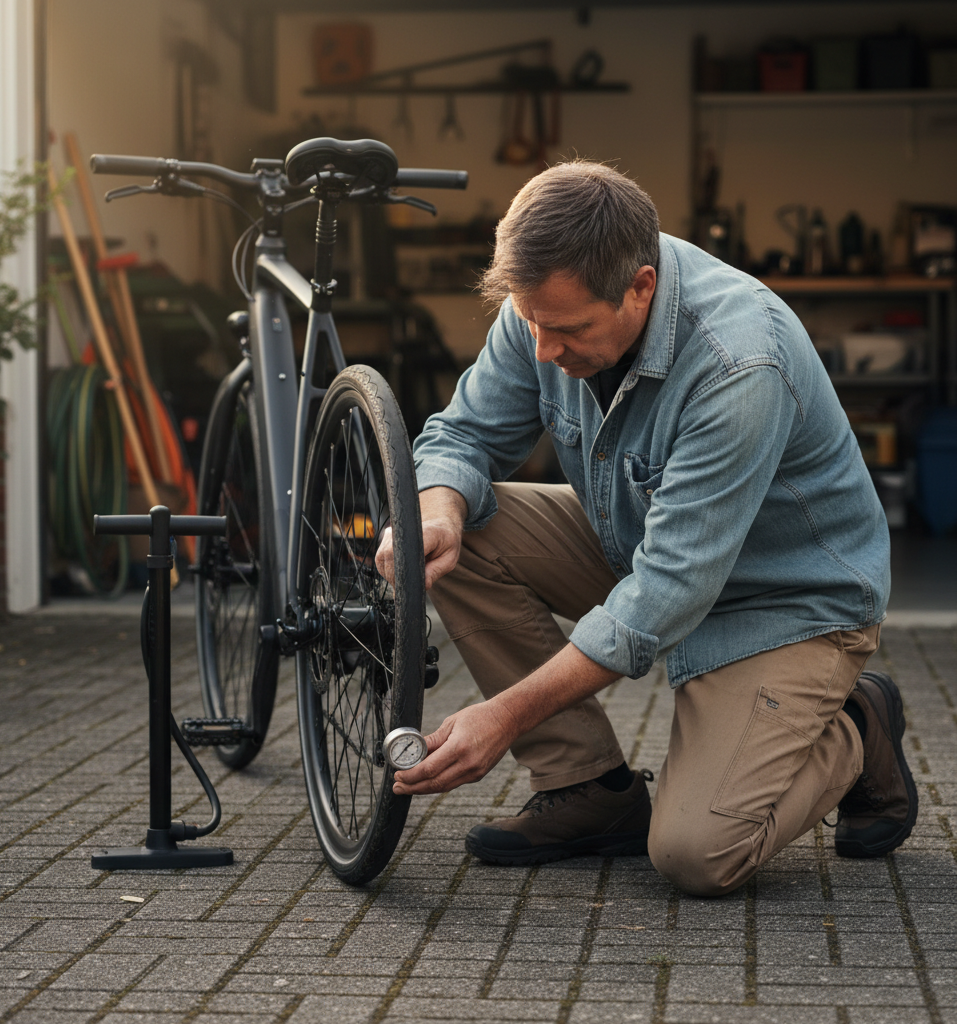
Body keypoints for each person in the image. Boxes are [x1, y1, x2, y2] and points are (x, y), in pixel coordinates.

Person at [374, 161, 918, 897]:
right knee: (462, 529)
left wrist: (502, 717)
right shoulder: (546, 299)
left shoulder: (739, 363)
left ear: (641, 287)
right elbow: (462, 437)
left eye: (565, 330)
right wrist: (435, 508)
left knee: (698, 854)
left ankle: (859, 725)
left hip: (786, 606)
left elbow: (665, 594)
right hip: (638, 543)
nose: (542, 351)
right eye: (530, 323)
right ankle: (587, 787)